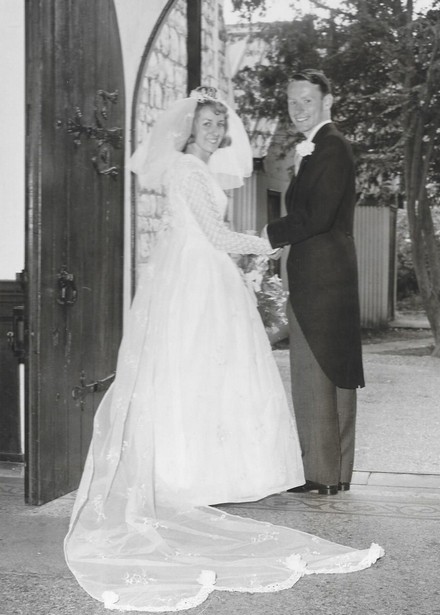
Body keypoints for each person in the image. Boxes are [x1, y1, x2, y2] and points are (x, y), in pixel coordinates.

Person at [64, 87, 382, 612]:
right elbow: (212, 234)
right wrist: (265, 242)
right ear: (189, 129)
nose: (213, 131)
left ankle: (227, 469)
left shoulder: (204, 171)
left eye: (218, 123)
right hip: (195, 282)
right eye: (205, 123)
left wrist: (260, 247)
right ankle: (187, 472)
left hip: (211, 278)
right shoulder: (188, 170)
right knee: (192, 372)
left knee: (219, 377)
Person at [266, 69, 365, 496]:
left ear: (328, 101)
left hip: (321, 278)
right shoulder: (323, 146)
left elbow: (317, 217)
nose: (299, 109)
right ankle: (335, 473)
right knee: (333, 368)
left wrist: (265, 237)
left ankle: (321, 475)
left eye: (307, 100)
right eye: (292, 102)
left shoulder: (330, 148)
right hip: (331, 274)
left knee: (314, 370)